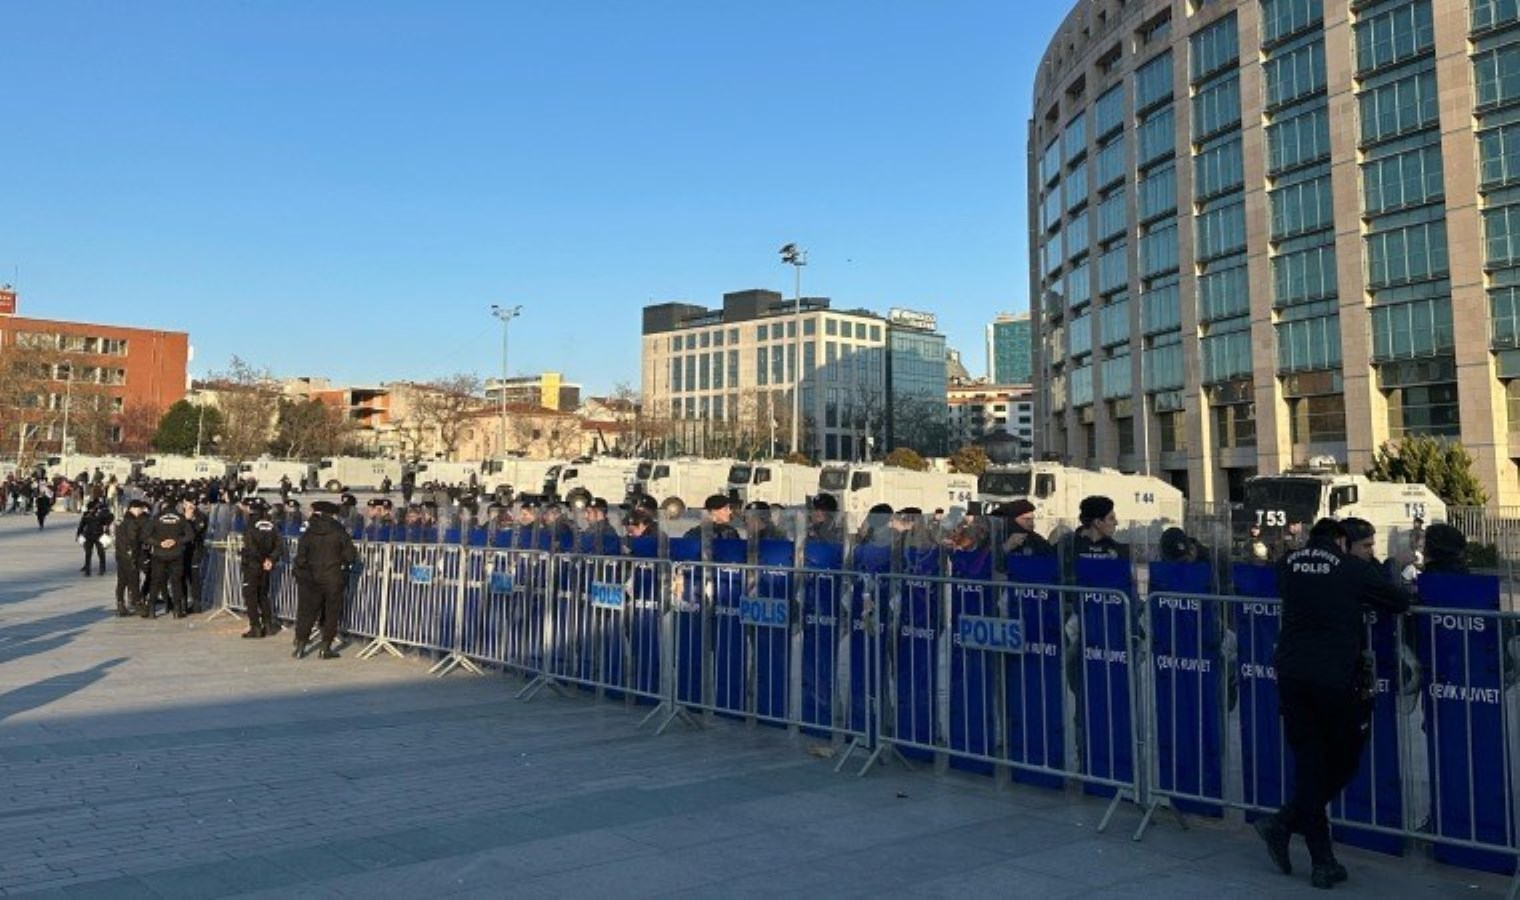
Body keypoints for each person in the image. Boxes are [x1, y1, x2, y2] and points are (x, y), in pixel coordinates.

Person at [1255, 518, 1411, 889]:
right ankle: (1293, 830)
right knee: (1343, 760)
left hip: (1292, 674)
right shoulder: (1350, 568)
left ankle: (1315, 853)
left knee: (1310, 764)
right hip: (1333, 678)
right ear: (1342, 540)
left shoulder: (1289, 564)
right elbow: (1399, 600)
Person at [291, 500, 358, 659]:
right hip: (333, 577)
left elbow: (301, 556)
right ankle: (325, 647)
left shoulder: (309, 531)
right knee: (331, 613)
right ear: (333, 515)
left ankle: (300, 646)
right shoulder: (339, 531)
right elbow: (350, 556)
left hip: (311, 577)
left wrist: (303, 572)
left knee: (307, 612)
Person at [240, 499, 285, 639]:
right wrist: (270, 559)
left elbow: (251, 548)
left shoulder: (250, 525)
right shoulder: (272, 525)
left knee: (251, 596)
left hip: (252, 565)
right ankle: (268, 625)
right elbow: (279, 545)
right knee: (263, 595)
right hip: (266, 566)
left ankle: (255, 627)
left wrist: (262, 560)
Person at [147, 497, 195, 618]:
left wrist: (159, 543)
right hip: (176, 553)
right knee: (176, 582)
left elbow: (146, 536)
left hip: (159, 553)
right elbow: (190, 535)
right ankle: (177, 611)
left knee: (155, 582)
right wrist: (176, 541)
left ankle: (151, 610)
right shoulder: (181, 518)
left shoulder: (156, 518)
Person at [114, 499, 150, 617]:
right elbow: (133, 540)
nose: (140, 511)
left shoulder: (120, 521)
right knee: (134, 580)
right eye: (139, 508)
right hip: (130, 556)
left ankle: (120, 604)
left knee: (122, 581)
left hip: (120, 555)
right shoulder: (133, 523)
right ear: (132, 508)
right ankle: (138, 604)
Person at [76, 499, 114, 577]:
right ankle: (87, 570)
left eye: (93, 508)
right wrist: (78, 534)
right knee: (88, 553)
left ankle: (102, 569)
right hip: (88, 536)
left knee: (101, 553)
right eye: (90, 509)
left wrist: (105, 512)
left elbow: (109, 519)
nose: (92, 510)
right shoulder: (86, 515)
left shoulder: (101, 515)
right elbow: (81, 525)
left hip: (99, 536)